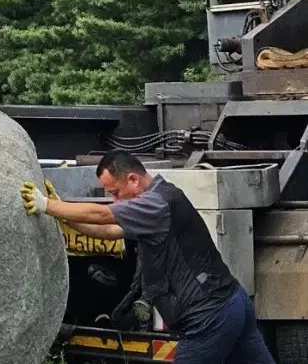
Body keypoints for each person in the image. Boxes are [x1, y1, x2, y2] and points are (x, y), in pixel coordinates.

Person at [20, 150, 275, 364]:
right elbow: (108, 231)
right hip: (233, 303)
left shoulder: (154, 204)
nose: (114, 199)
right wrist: (62, 214)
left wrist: (47, 205)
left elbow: (103, 216)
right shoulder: (160, 199)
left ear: (133, 179)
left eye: (115, 192)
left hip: (207, 318)